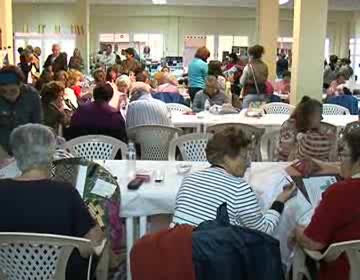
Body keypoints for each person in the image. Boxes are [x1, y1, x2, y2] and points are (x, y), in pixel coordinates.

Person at [0, 124, 103, 280]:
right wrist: (101, 225)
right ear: (51, 153)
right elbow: (88, 247)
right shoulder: (66, 193)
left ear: (16, 154)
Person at [173, 127, 296, 233]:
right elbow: (264, 230)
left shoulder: (189, 179)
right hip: (208, 257)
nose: (248, 164)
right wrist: (280, 200)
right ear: (226, 158)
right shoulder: (239, 189)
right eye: (244, 157)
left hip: (174, 252)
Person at [296, 122, 360, 280]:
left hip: (347, 272)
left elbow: (313, 243)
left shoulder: (340, 193)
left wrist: (297, 231)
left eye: (343, 154)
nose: (340, 161)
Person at [275, 96, 336, 162]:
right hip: (284, 164)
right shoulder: (289, 127)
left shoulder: (315, 129)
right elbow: (286, 154)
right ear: (309, 117)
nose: (322, 118)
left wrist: (332, 142)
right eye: (319, 115)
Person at [0, 66, 42, 154]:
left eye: (13, 91)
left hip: (27, 149)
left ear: (20, 85)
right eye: (3, 91)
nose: (8, 95)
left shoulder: (32, 96)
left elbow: (38, 126)